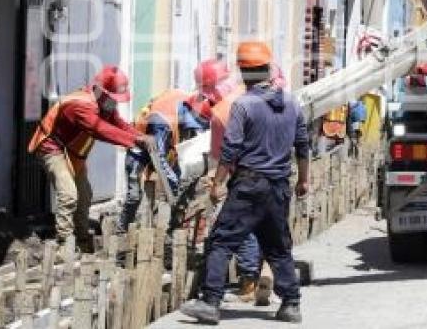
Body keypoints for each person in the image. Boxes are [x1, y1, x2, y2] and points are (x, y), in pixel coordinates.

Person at [180, 42, 309, 324]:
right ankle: (291, 304)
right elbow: (302, 145)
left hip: (249, 186)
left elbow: (230, 149)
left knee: (220, 241)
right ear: (269, 68)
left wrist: (217, 183)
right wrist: (304, 180)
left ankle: (211, 302)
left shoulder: (244, 105)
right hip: (278, 188)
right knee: (277, 247)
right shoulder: (292, 103)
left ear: (243, 72)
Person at [28, 66, 148, 251]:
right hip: (52, 147)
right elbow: (99, 129)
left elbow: (117, 123)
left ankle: (82, 240)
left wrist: (139, 136)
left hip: (71, 151)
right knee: (68, 195)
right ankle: (64, 245)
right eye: (113, 98)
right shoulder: (81, 105)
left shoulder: (104, 103)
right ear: (101, 90)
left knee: (84, 195)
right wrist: (133, 141)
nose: (114, 103)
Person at [199, 59, 272, 306]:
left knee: (236, 231)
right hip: (273, 175)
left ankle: (243, 286)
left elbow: (224, 155)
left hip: (244, 178)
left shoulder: (221, 112)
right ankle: (278, 291)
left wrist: (216, 183)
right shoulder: (259, 98)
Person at [116, 89, 212, 234]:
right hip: (139, 150)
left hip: (164, 147)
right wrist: (174, 185)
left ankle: (172, 229)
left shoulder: (189, 103)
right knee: (134, 196)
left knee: (181, 186)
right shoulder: (163, 120)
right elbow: (158, 157)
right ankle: (121, 230)